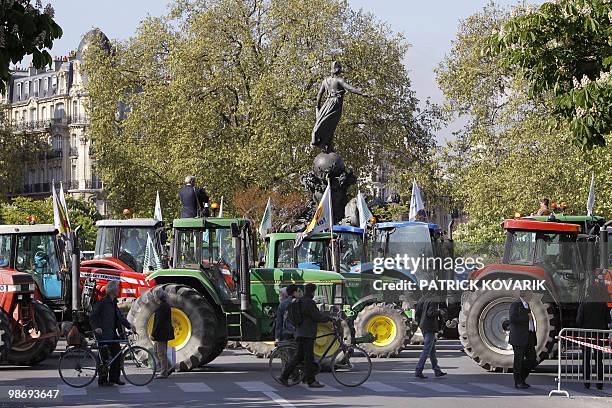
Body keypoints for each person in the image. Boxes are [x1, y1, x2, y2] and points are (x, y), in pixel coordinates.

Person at [277, 283, 330, 388]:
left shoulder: (299, 301)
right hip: (307, 334)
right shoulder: (309, 302)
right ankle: (311, 381)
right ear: (312, 292)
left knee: (299, 357)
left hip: (300, 332)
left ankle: (285, 376)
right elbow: (317, 317)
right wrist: (329, 318)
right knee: (308, 358)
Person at [311, 61, 368, 153]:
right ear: (338, 70)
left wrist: (317, 106)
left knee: (325, 122)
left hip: (327, 103)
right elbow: (350, 88)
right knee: (331, 125)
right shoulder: (339, 80)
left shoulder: (325, 81)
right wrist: (361, 92)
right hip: (335, 104)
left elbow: (319, 95)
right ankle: (322, 141)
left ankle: (326, 143)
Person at [90, 280, 134, 387]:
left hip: (112, 334)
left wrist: (129, 326)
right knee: (104, 358)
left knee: (117, 356)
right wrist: (96, 328)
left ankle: (114, 378)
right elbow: (93, 316)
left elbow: (120, 317)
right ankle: (103, 380)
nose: (119, 290)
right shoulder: (103, 303)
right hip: (103, 334)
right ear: (113, 290)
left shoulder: (113, 302)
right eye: (118, 288)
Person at [576, 283, 611, 390]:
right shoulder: (602, 304)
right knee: (599, 360)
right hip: (598, 335)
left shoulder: (584, 304)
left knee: (586, 359)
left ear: (588, 292)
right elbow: (608, 320)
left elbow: (578, 321)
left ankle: (587, 383)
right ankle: (599, 383)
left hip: (586, 336)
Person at [414, 292, 447, 378]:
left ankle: (437, 370)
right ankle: (418, 370)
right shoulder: (434, 299)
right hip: (430, 327)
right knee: (427, 349)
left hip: (423, 326)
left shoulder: (422, 298)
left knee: (432, 350)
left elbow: (417, 312)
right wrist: (439, 311)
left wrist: (420, 323)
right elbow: (430, 313)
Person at [509, 291, 537, 389]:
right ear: (524, 295)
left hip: (528, 336)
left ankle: (522, 378)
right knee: (518, 360)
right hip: (518, 337)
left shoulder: (527, 305)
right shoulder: (516, 304)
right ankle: (518, 382)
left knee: (532, 359)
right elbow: (512, 319)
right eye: (530, 294)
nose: (531, 296)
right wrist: (526, 317)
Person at [151, 289, 175, 379]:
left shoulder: (162, 307)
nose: (154, 297)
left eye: (154, 296)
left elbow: (158, 322)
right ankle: (168, 367)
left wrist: (153, 333)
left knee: (161, 353)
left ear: (158, 297)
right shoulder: (165, 306)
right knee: (157, 351)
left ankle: (164, 372)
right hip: (163, 333)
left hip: (160, 334)